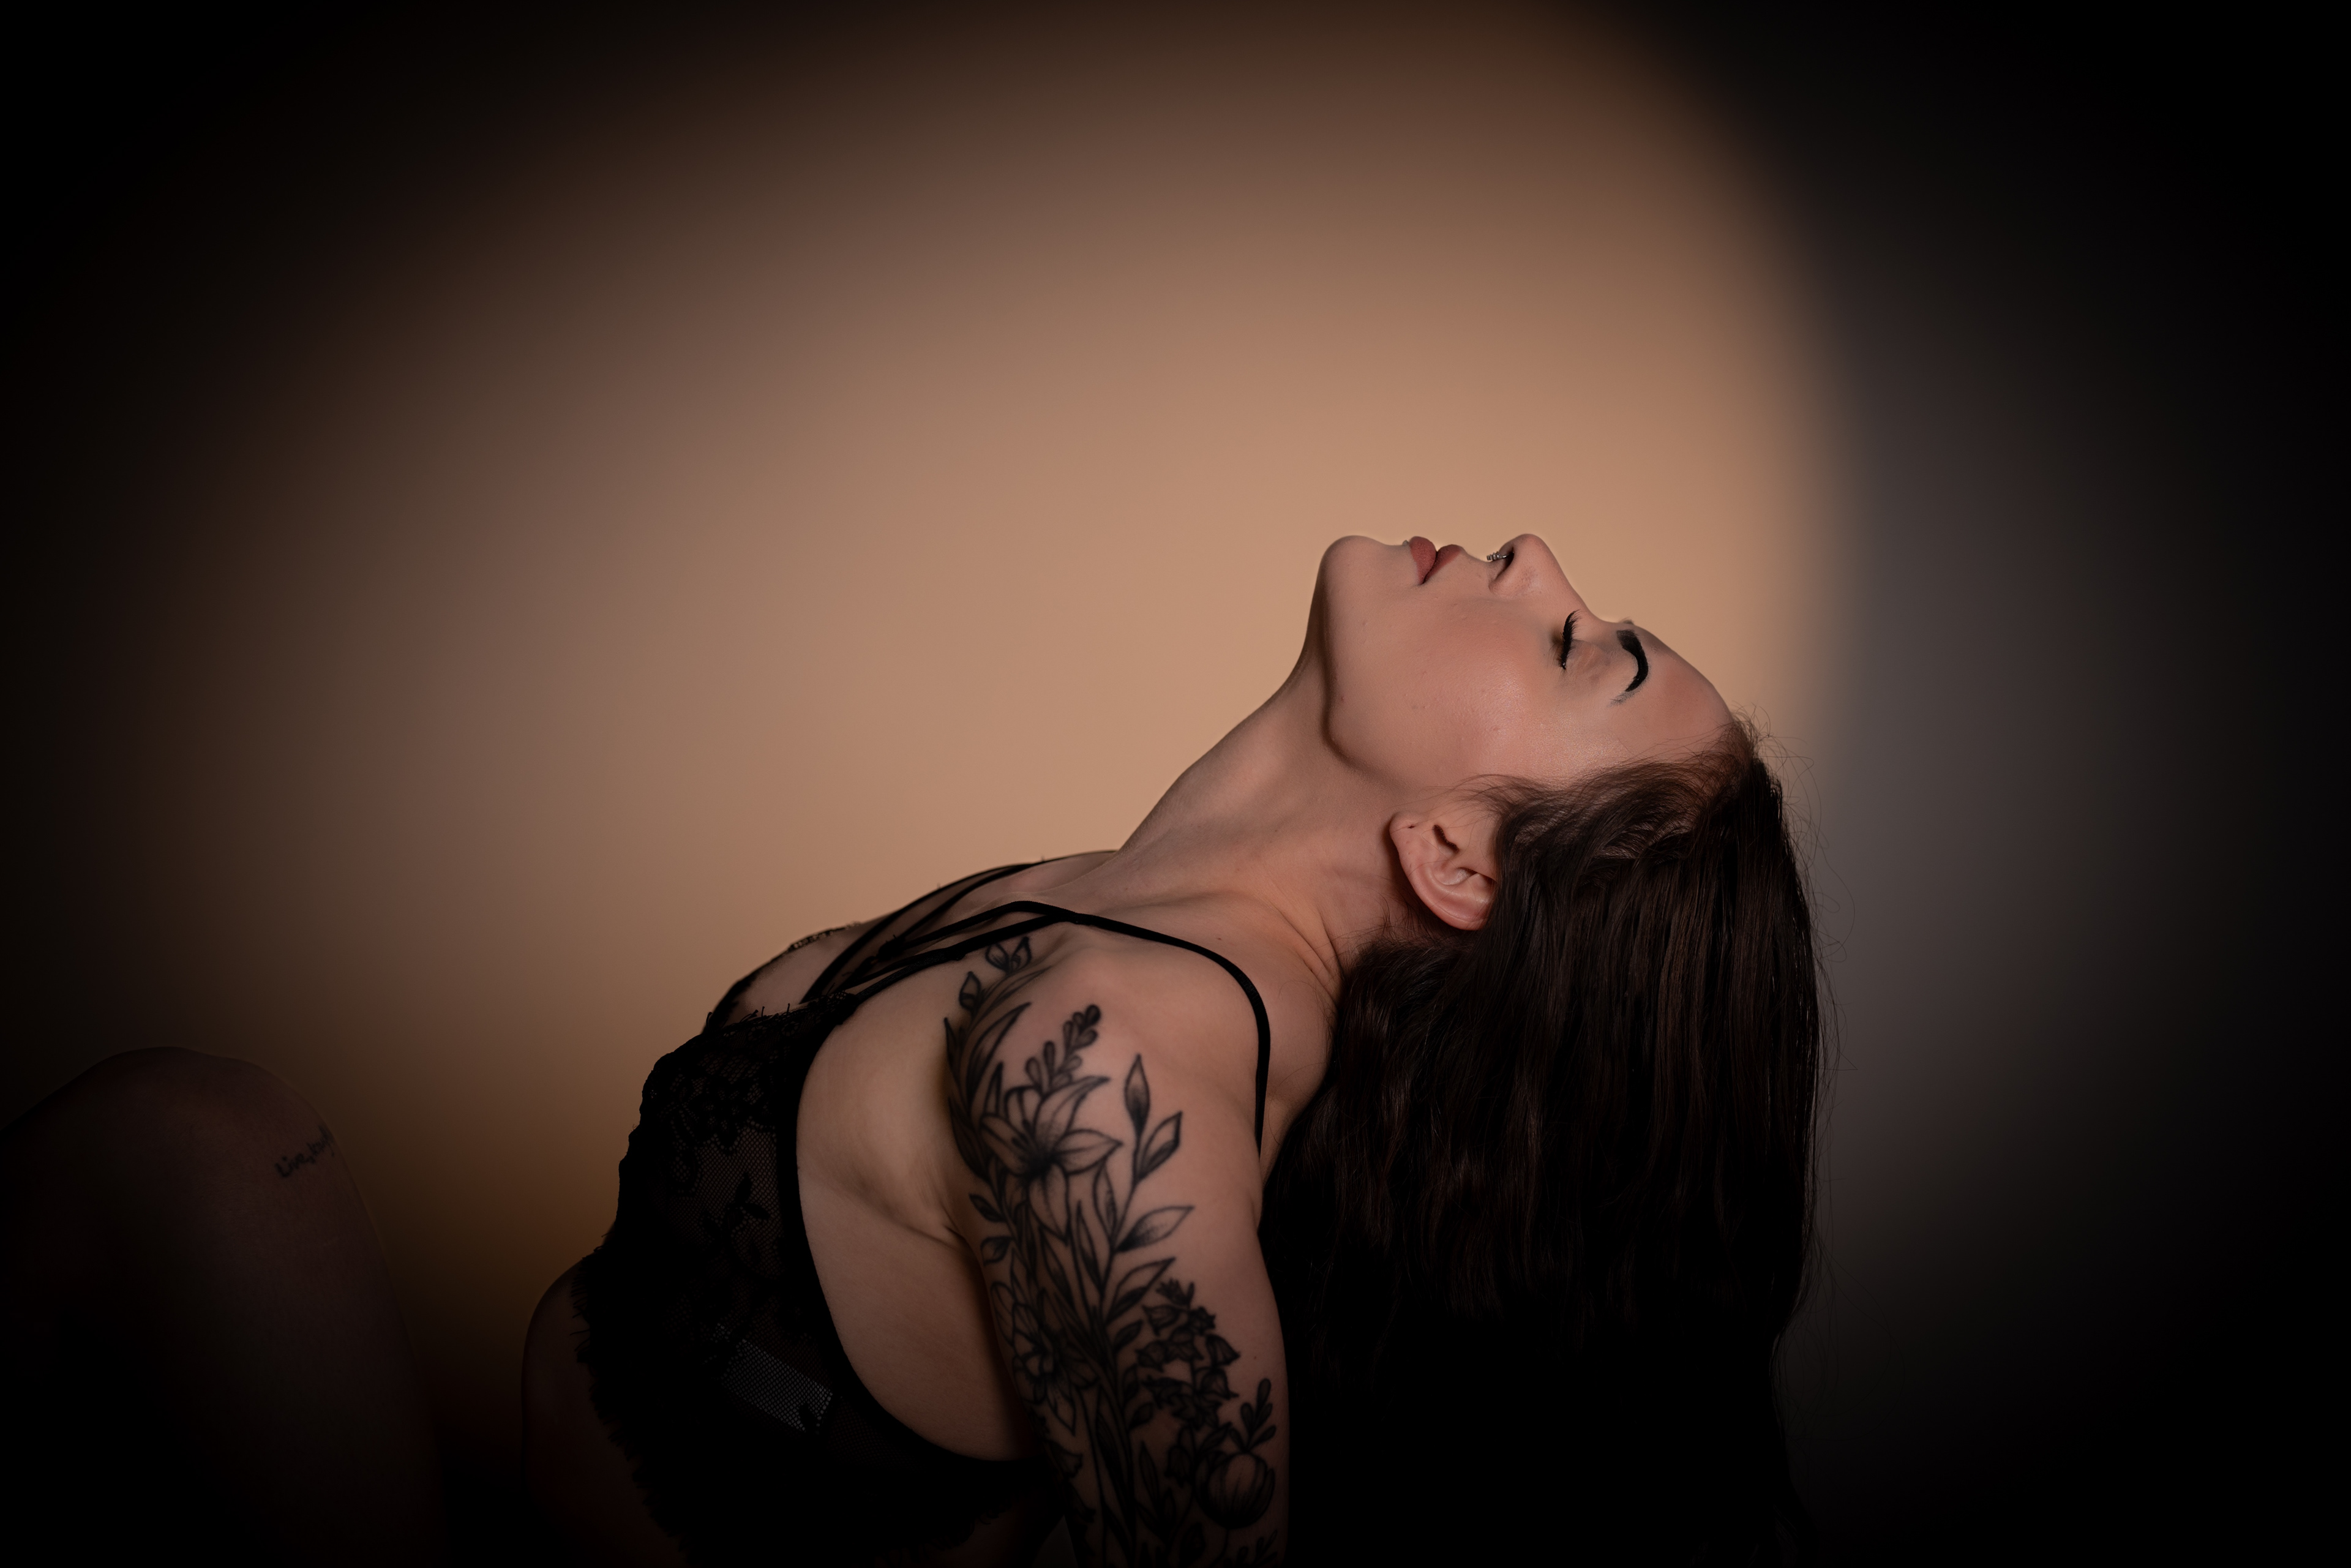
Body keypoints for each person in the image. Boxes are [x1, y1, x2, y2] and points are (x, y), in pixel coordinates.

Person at [522, 533, 1821, 1566]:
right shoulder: (1146, 922)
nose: (1535, 555)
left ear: (1461, 858)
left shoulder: (1114, 1068)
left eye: (1576, 649)